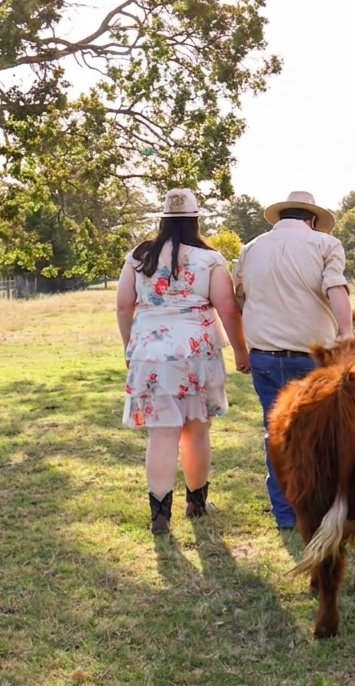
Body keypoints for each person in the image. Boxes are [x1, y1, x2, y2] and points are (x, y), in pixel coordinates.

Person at [117, 188, 250, 535]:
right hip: (196, 351)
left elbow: (123, 305)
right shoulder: (210, 259)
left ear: (162, 219)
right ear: (195, 220)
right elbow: (228, 310)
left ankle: (160, 513)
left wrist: (130, 345)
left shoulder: (138, 256)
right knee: (196, 429)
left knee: (161, 435)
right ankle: (196, 502)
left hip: (150, 351)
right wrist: (240, 350)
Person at [232, 190, 353, 530]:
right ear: (312, 220)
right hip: (312, 358)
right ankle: (321, 508)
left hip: (265, 357)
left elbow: (238, 300)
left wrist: (244, 344)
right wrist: (345, 333)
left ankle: (286, 514)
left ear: (283, 217)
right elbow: (336, 288)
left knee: (277, 432)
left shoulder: (250, 249)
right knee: (322, 434)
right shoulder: (325, 245)